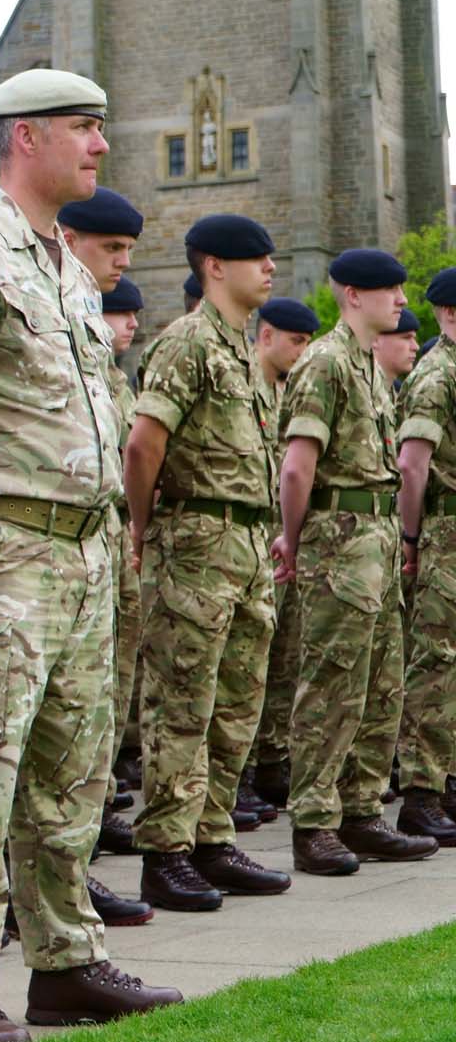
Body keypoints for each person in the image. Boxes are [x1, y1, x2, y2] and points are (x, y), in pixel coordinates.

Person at [0, 69, 181, 1042]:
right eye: (82, 129)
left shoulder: (61, 264)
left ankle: (62, 960)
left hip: (72, 554)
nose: (99, 146)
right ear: (24, 138)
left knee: (68, 776)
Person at [124, 214, 293, 912]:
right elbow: (143, 445)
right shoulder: (187, 343)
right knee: (183, 703)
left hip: (246, 546)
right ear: (215, 266)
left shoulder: (242, 354)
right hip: (194, 542)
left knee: (235, 706)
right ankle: (166, 850)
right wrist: (142, 528)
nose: (271, 268)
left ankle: (210, 836)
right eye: (257, 257)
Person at [272, 248, 437, 876]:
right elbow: (297, 465)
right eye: (387, 291)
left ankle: (362, 811)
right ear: (352, 295)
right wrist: (292, 539)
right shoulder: (326, 362)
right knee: (331, 687)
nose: (399, 301)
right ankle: (314, 823)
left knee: (379, 686)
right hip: (338, 542)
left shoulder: (367, 366)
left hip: (375, 539)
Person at [79, 273, 157, 928]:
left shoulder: (119, 380)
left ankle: (88, 830)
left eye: (133, 315)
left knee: (107, 691)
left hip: (108, 540)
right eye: (118, 313)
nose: (127, 324)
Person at [248, 297, 320, 810]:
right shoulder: (247, 383)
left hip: (275, 537)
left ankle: (271, 760)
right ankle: (244, 770)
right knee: (248, 660)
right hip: (242, 538)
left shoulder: (289, 392)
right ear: (266, 335)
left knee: (283, 654)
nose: (303, 351)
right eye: (296, 340)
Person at [395, 268, 456, 845]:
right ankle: (420, 793)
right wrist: (410, 539)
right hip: (445, 534)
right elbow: (413, 463)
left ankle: (448, 782)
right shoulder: (436, 373)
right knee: (436, 666)